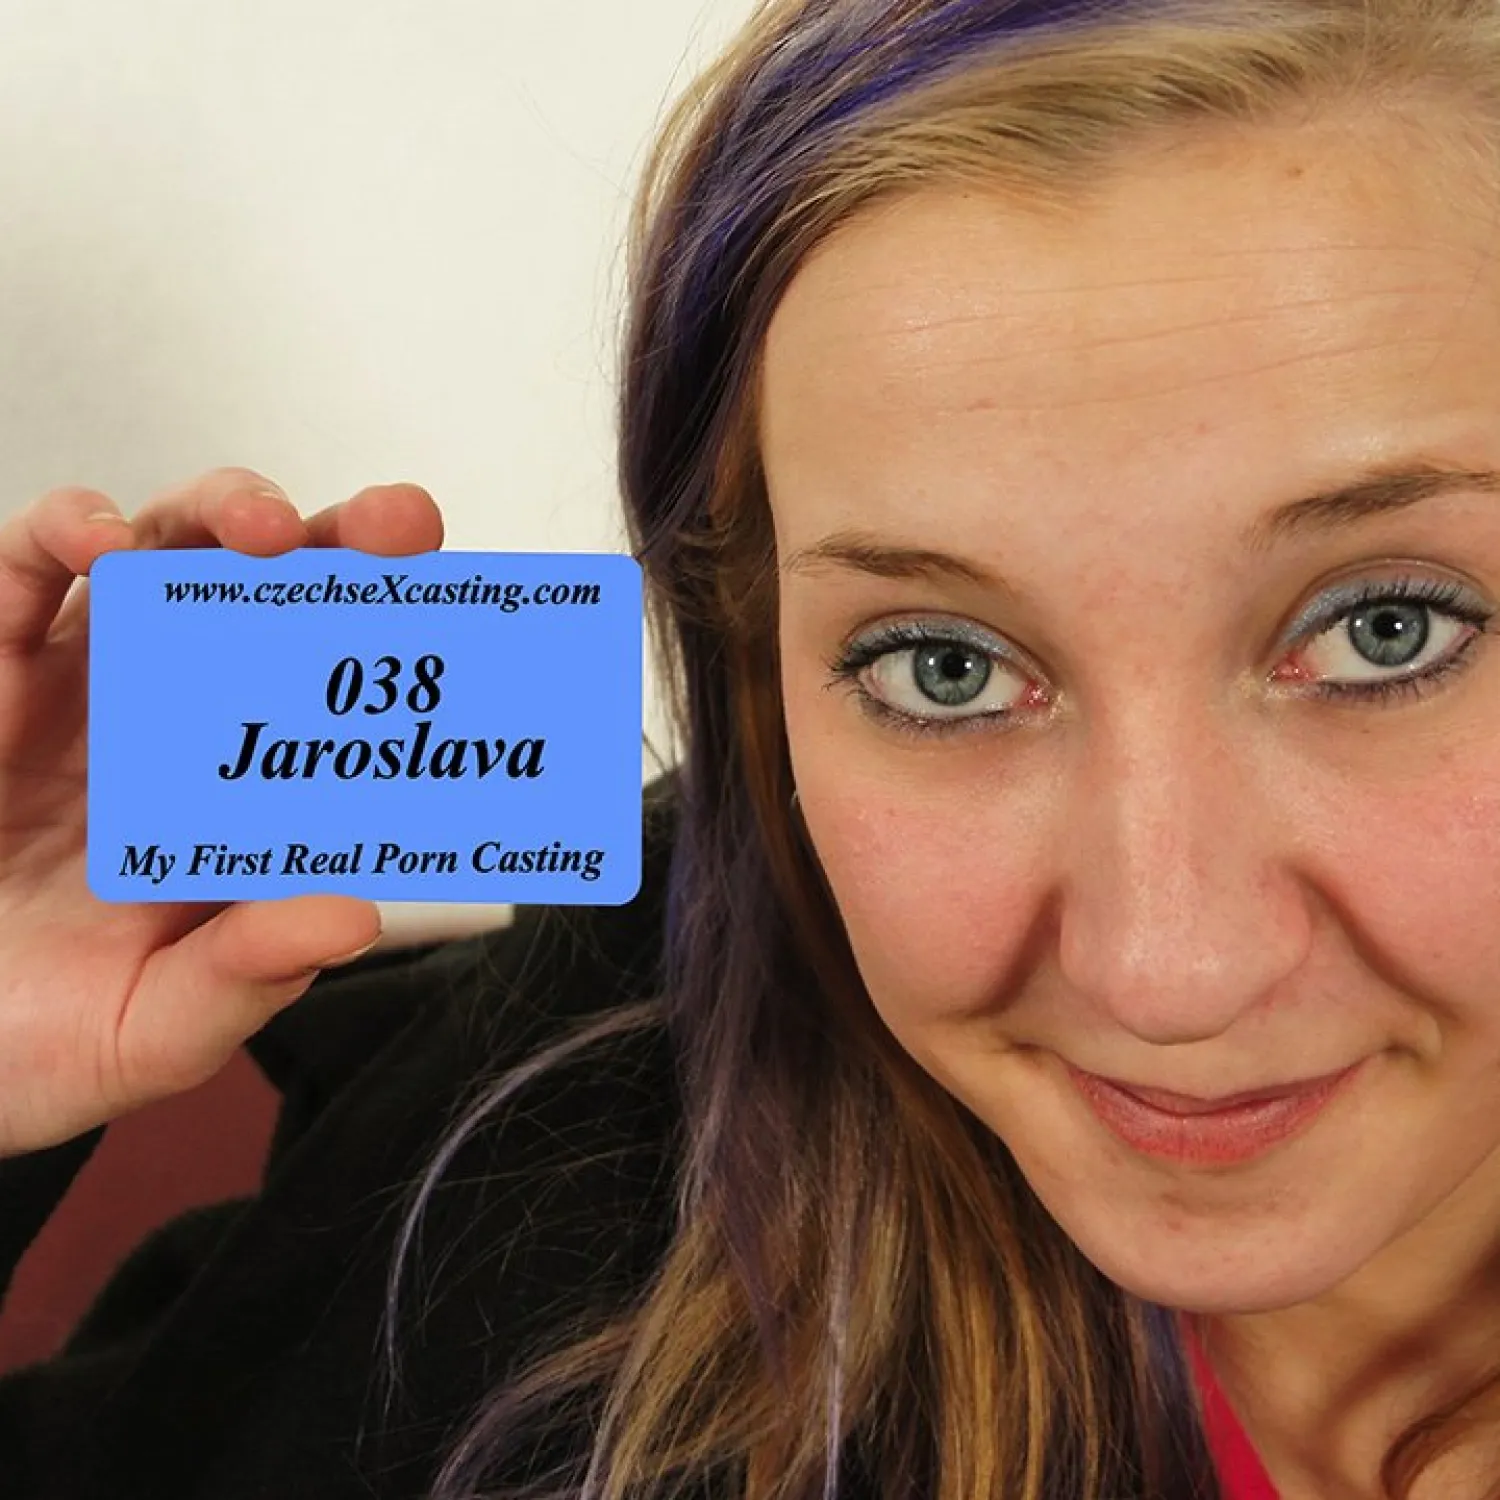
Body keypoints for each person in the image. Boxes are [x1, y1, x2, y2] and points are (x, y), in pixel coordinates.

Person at [4, 0, 1500, 1495]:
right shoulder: (519, 1211)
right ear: (759, 679)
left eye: (1390, 630)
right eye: (943, 668)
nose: (1167, 973)